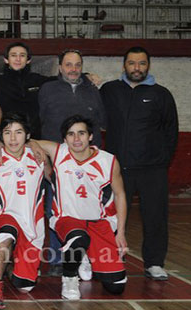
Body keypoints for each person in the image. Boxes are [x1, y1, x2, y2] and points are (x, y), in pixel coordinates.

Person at [100, 47, 178, 280]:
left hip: (152, 170)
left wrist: (161, 160)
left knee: (155, 218)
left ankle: (154, 263)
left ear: (148, 66)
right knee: (111, 217)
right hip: (118, 169)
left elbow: (171, 131)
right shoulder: (110, 90)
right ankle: (112, 260)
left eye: (142, 63)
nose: (137, 68)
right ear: (124, 65)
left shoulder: (161, 94)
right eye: (132, 63)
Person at [33, 115, 128, 300]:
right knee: (78, 238)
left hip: (99, 223)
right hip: (67, 219)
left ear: (90, 136)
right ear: (64, 139)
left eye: (81, 133)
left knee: (116, 287)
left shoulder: (108, 161)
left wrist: (121, 232)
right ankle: (69, 278)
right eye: (71, 134)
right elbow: (26, 141)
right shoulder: (58, 152)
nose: (76, 139)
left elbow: (120, 195)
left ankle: (85, 255)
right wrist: (36, 147)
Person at [37, 48, 106, 275]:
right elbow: (40, 121)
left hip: (87, 163)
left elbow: (100, 123)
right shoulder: (48, 89)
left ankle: (87, 257)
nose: (73, 69)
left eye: (77, 65)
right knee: (55, 211)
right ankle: (58, 260)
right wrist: (45, 159)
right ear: (60, 67)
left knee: (88, 210)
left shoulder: (92, 89)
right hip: (57, 162)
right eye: (68, 65)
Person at [0, 113, 45, 310]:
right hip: (2, 215)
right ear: (1, 136)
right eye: (7, 133)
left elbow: (69, 148)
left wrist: (34, 143)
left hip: (31, 224)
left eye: (19, 132)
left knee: (24, 287)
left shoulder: (38, 156)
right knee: (6, 233)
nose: (13, 138)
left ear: (27, 135)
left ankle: (8, 266)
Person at [0, 42, 55, 139]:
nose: (18, 59)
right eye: (13, 55)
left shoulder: (37, 80)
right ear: (6, 59)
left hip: (33, 137)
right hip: (4, 136)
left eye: (22, 55)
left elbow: (63, 79)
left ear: (28, 60)